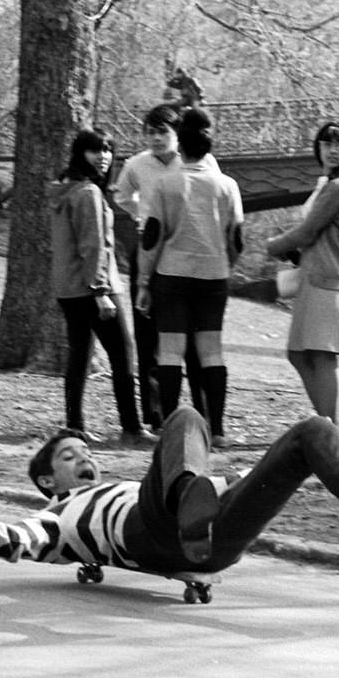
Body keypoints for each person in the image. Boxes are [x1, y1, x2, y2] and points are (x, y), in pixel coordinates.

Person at [0, 406, 339, 571]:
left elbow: (230, 483)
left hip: (215, 541)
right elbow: (12, 542)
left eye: (87, 452)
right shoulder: (59, 516)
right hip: (150, 532)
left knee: (311, 430)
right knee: (184, 417)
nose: (85, 458)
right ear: (46, 481)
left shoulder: (120, 484)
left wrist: (275, 475)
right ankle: (187, 513)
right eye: (69, 456)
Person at [134, 107, 244, 449]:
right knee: (212, 351)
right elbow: (236, 239)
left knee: (170, 351)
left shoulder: (167, 185)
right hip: (213, 277)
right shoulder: (227, 185)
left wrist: (142, 283)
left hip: (172, 276)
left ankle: (170, 426)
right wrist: (223, 264)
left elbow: (152, 237)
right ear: (209, 147)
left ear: (180, 145)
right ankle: (218, 429)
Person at [48, 129, 153, 448]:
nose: (104, 156)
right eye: (95, 150)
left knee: (79, 354)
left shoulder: (64, 189)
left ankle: (74, 424)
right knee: (123, 353)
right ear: (80, 153)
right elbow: (93, 246)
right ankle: (132, 427)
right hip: (93, 288)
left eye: (108, 149)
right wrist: (101, 293)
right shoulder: (88, 194)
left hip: (68, 287)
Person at [112, 103, 211, 432]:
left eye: (163, 132)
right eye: (150, 132)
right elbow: (121, 195)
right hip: (151, 249)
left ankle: (204, 415)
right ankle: (155, 416)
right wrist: (142, 214)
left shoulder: (198, 160)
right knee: (149, 334)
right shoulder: (136, 164)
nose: (156, 138)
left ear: (177, 133)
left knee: (195, 339)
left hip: (189, 250)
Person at [265, 121, 339, 422]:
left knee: (324, 356)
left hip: (329, 281)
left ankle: (330, 431)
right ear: (318, 147)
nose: (333, 150)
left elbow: (307, 232)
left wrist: (274, 245)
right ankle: (326, 426)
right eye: (327, 143)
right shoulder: (330, 183)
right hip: (318, 278)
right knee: (300, 354)